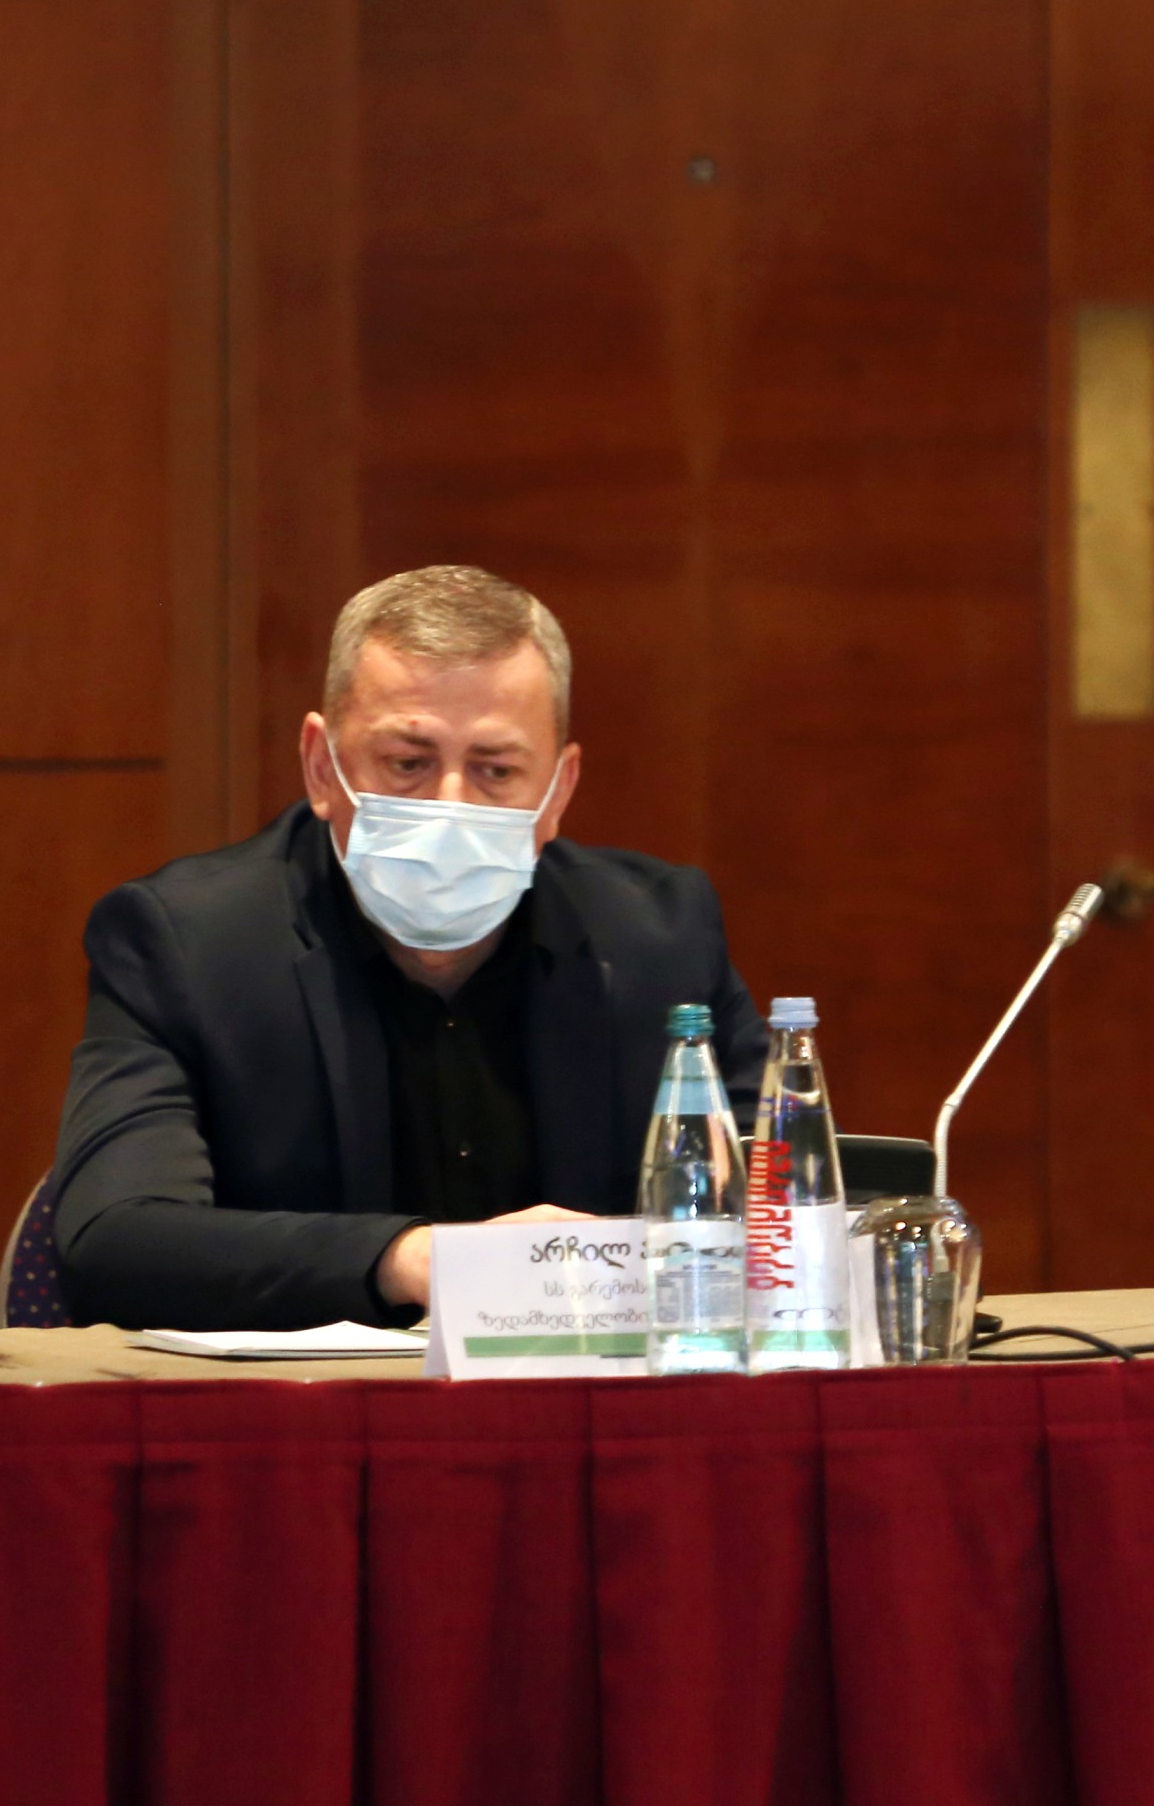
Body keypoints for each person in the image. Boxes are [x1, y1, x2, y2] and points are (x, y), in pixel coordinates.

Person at [52, 565, 766, 1329]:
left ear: (558, 790)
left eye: (495, 770)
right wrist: (411, 1260)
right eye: (407, 763)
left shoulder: (657, 938)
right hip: (303, 1400)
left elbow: (789, 1211)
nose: (449, 805)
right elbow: (114, 1241)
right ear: (321, 766)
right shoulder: (187, 944)